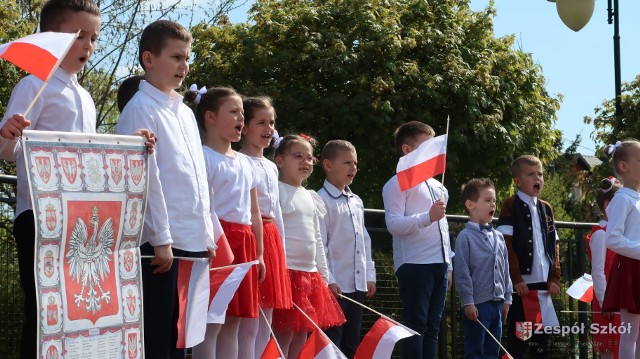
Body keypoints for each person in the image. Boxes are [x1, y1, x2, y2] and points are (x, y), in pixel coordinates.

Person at [114, 20, 215, 359]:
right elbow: (145, 181)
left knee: (180, 342)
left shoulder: (186, 113)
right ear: (148, 59)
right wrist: (160, 239)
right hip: (162, 246)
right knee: (156, 338)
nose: (184, 67)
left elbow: (197, 177)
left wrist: (208, 235)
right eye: (175, 57)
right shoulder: (140, 108)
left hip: (191, 241)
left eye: (187, 58)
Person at [185, 86, 265, 359]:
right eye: (233, 111)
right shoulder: (202, 157)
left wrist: (260, 254)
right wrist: (208, 242)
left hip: (244, 245)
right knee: (211, 321)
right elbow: (199, 206)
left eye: (242, 113)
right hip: (217, 243)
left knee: (234, 321)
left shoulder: (247, 163)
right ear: (211, 117)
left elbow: (254, 213)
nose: (240, 118)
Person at [381, 121, 454, 359]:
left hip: (439, 265)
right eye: (426, 146)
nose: (433, 151)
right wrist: (427, 217)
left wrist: (449, 265)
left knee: (433, 326)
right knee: (415, 325)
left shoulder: (438, 186)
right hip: (414, 263)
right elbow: (393, 224)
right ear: (407, 150)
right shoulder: (396, 184)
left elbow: (443, 229)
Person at [272, 134, 346, 359]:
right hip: (286, 274)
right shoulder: (276, 190)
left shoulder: (310, 196)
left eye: (309, 158)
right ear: (280, 160)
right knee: (282, 335)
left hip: (309, 276)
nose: (306, 162)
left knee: (301, 335)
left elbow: (317, 240)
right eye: (298, 156)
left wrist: (325, 278)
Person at [237, 96, 292, 358]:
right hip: (250, 238)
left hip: (271, 240)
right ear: (244, 127)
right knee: (249, 317)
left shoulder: (271, 166)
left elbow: (276, 211)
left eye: (271, 122)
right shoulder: (238, 161)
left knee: (266, 318)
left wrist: (281, 249)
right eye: (261, 122)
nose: (268, 128)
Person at [497, 154, 561, 359]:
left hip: (543, 289)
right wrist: (516, 278)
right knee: (519, 341)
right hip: (522, 289)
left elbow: (554, 245)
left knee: (541, 344)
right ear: (518, 181)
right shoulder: (510, 205)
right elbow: (505, 244)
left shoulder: (547, 208)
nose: (538, 178)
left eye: (540, 174)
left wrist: (554, 278)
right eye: (531, 174)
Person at [318, 140, 376, 359]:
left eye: (355, 163)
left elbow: (365, 240)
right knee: (332, 341)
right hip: (335, 286)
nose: (353, 168)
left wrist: (370, 275)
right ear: (328, 165)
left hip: (357, 285)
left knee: (351, 343)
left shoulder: (356, 201)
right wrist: (328, 279)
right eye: (347, 162)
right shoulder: (322, 200)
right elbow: (320, 244)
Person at [454, 178, 512, 359]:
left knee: (493, 351)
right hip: (478, 305)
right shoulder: (465, 237)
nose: (493, 204)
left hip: (498, 303)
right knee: (475, 350)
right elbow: (463, 272)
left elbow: (505, 271)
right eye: (487, 200)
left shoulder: (499, 237)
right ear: (470, 205)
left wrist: (507, 299)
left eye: (494, 200)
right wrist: (468, 302)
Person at [601, 140, 640, 359]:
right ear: (624, 167)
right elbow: (612, 239)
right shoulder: (622, 199)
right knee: (631, 333)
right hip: (630, 270)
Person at [586, 177, 621, 359]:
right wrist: (606, 302)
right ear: (607, 205)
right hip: (608, 304)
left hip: (620, 301)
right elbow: (598, 272)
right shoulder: (600, 235)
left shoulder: (617, 233)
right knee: (610, 350)